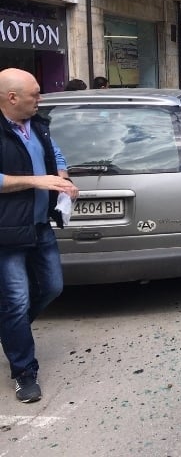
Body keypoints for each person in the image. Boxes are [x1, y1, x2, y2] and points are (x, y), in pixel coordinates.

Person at [0, 68, 79, 403]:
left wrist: (60, 178)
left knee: (52, 287)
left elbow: (56, 156)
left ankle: (10, 328)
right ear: (12, 97)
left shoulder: (38, 125)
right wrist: (38, 181)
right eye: (35, 94)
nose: (40, 99)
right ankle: (24, 372)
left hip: (40, 224)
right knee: (15, 301)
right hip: (6, 232)